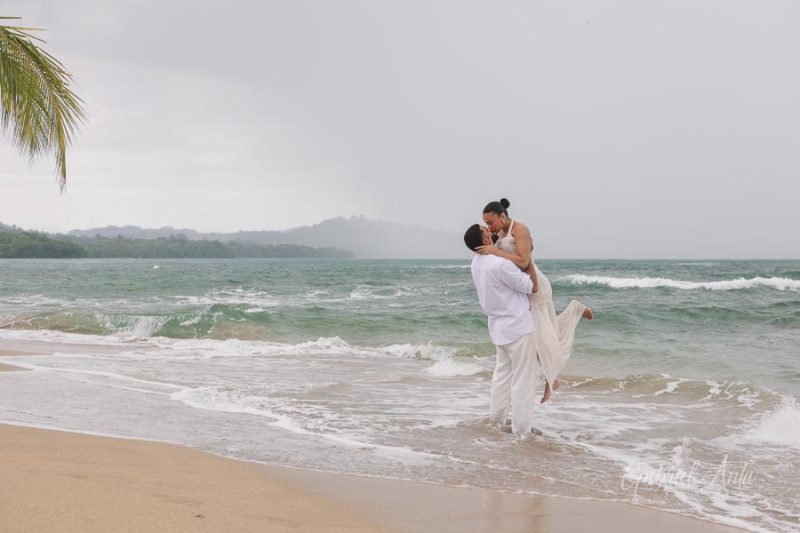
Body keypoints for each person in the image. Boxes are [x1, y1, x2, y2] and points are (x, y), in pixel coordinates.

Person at [478, 198, 592, 404]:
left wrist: (495, 250)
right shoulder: (499, 233)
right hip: (522, 288)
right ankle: (553, 377)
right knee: (543, 334)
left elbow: (523, 260)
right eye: (486, 223)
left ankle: (552, 379)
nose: (489, 227)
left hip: (536, 286)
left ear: (502, 216)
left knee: (543, 335)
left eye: (491, 222)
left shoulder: (520, 229)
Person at [464, 223, 540, 435]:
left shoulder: (475, 263)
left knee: (502, 377)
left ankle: (496, 422)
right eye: (487, 231)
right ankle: (521, 431)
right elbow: (532, 286)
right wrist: (529, 257)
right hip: (518, 326)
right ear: (486, 241)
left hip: (498, 327)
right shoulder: (500, 264)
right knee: (523, 381)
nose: (492, 232)